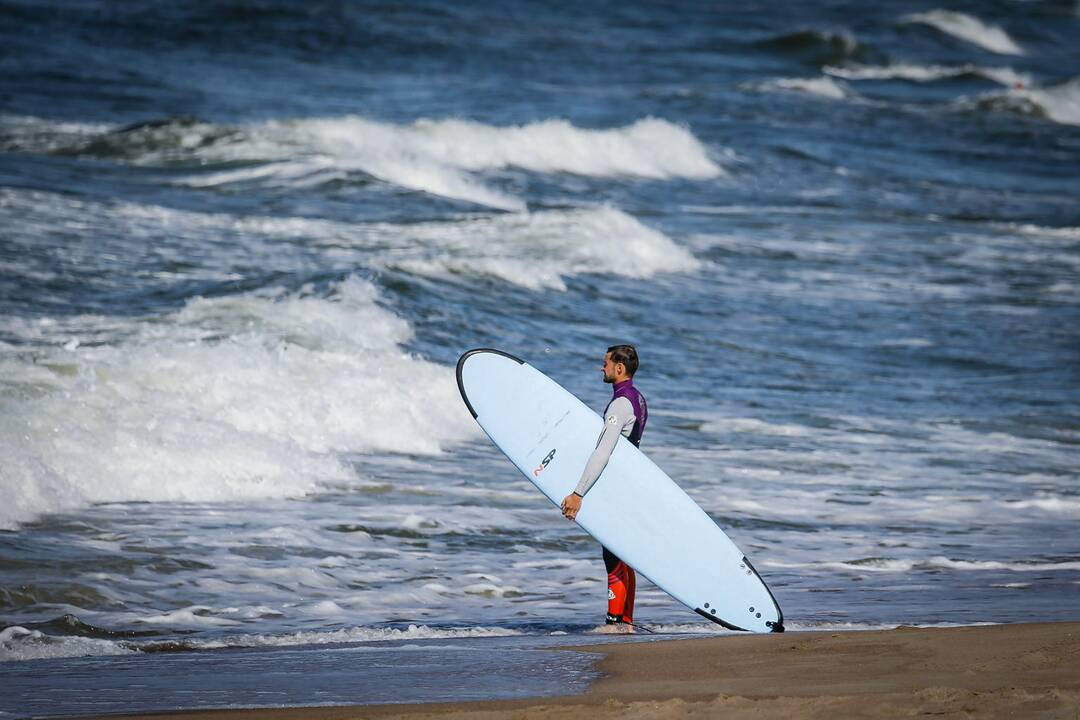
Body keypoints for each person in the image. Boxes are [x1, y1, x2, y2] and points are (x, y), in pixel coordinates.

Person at [560, 344, 647, 630]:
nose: (602, 368)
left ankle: (614, 621)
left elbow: (603, 451)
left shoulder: (620, 404)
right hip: (627, 485)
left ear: (619, 368)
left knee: (612, 554)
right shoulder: (638, 398)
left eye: (606, 363)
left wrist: (578, 492)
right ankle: (626, 621)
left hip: (616, 488)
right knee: (621, 553)